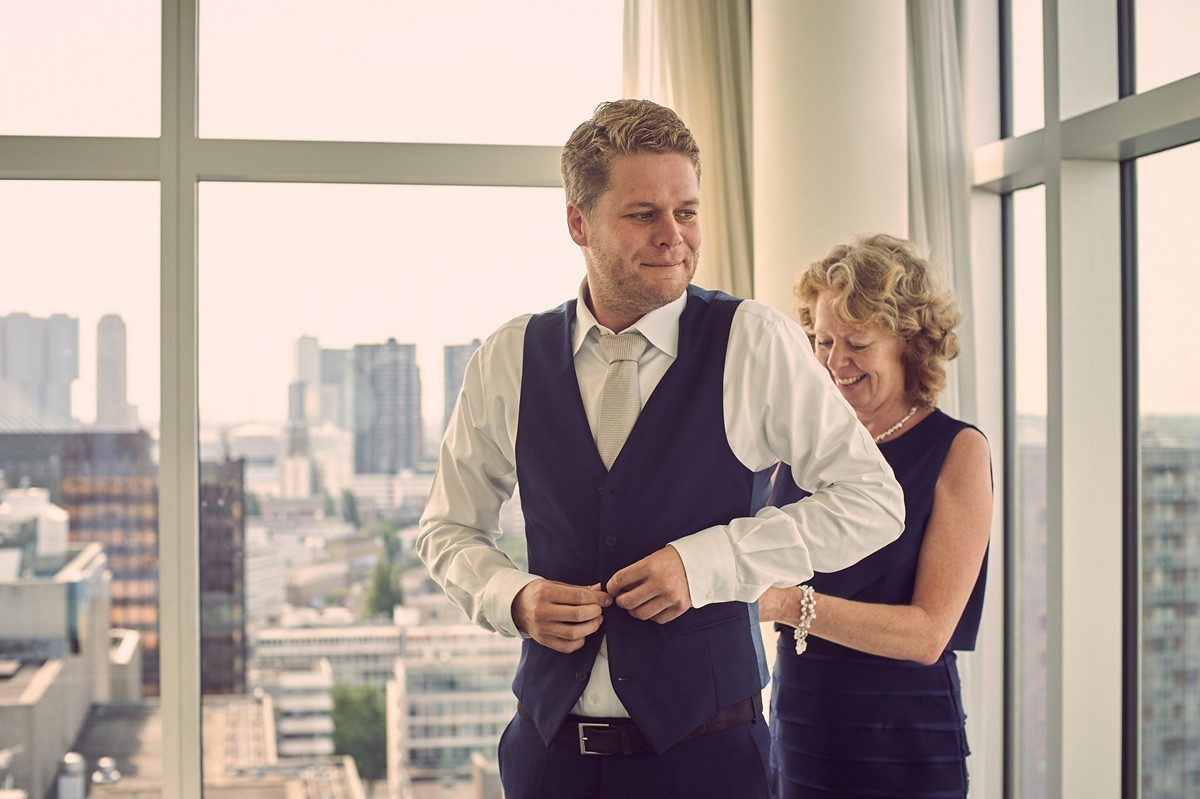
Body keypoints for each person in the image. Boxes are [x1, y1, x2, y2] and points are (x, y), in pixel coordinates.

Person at [417, 100, 905, 799]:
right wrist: (513, 596)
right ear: (578, 221)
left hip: (711, 762)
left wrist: (707, 562)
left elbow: (872, 502)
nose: (673, 236)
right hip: (548, 758)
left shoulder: (753, 341)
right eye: (644, 214)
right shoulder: (509, 357)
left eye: (687, 211)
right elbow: (447, 528)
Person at [758, 234, 993, 798]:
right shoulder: (799, 446)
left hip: (903, 745)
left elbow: (929, 634)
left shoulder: (958, 450)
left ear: (910, 343)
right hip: (799, 728)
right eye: (823, 340)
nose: (836, 362)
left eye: (856, 343)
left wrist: (789, 603)